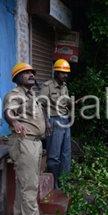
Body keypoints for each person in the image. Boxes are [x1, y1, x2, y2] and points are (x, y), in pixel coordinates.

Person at [4, 62, 54, 215]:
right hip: (23, 142)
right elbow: (8, 112)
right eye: (26, 73)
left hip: (34, 142)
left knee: (23, 182)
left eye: (32, 72)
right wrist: (15, 121)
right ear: (18, 77)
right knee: (30, 184)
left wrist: (46, 122)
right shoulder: (14, 95)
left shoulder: (31, 94)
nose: (31, 75)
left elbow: (38, 112)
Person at [39, 59, 81, 190]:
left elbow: (66, 103)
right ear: (56, 72)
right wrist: (46, 123)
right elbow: (40, 105)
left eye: (67, 73)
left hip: (64, 120)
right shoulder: (47, 86)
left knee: (66, 153)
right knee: (54, 155)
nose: (65, 75)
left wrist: (74, 104)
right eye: (62, 73)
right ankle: (54, 183)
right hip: (54, 120)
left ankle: (64, 181)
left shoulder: (64, 86)